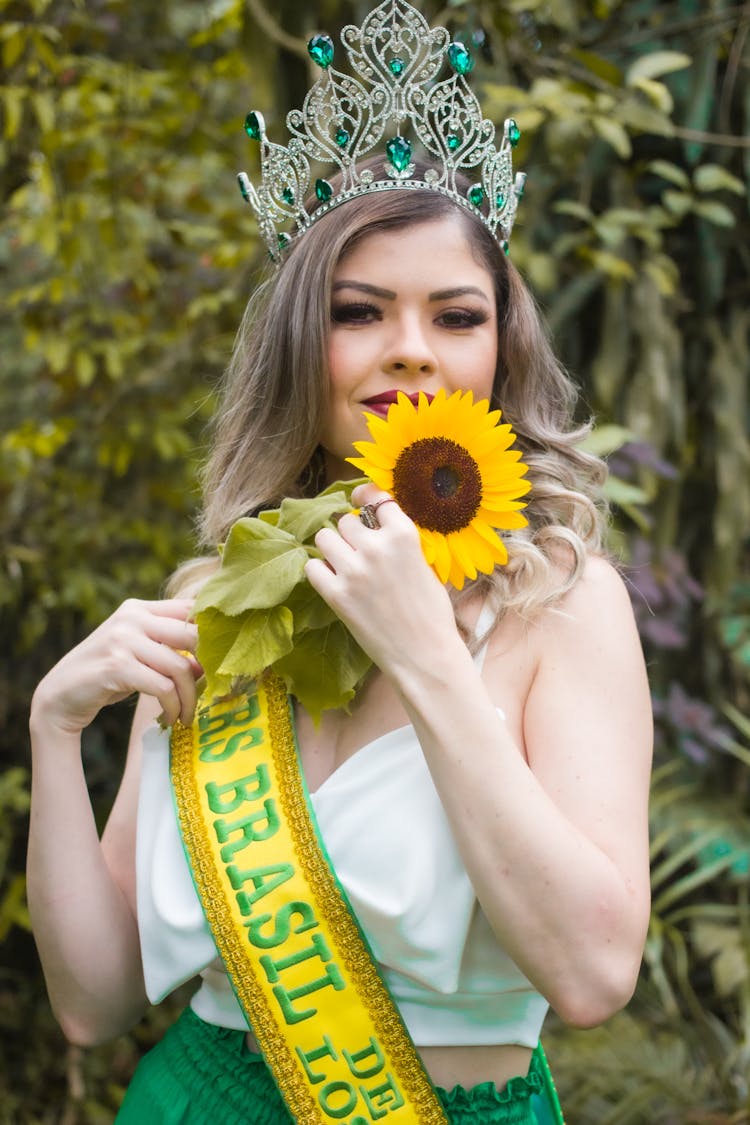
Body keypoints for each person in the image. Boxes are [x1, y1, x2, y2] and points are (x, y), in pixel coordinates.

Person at [27, 3, 652, 1122]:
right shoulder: (213, 605)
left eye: (455, 315)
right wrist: (56, 729)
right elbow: (95, 999)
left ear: (498, 351)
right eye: (358, 311)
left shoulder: (562, 601)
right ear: (297, 348)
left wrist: (427, 653)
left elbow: (595, 975)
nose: (410, 346)